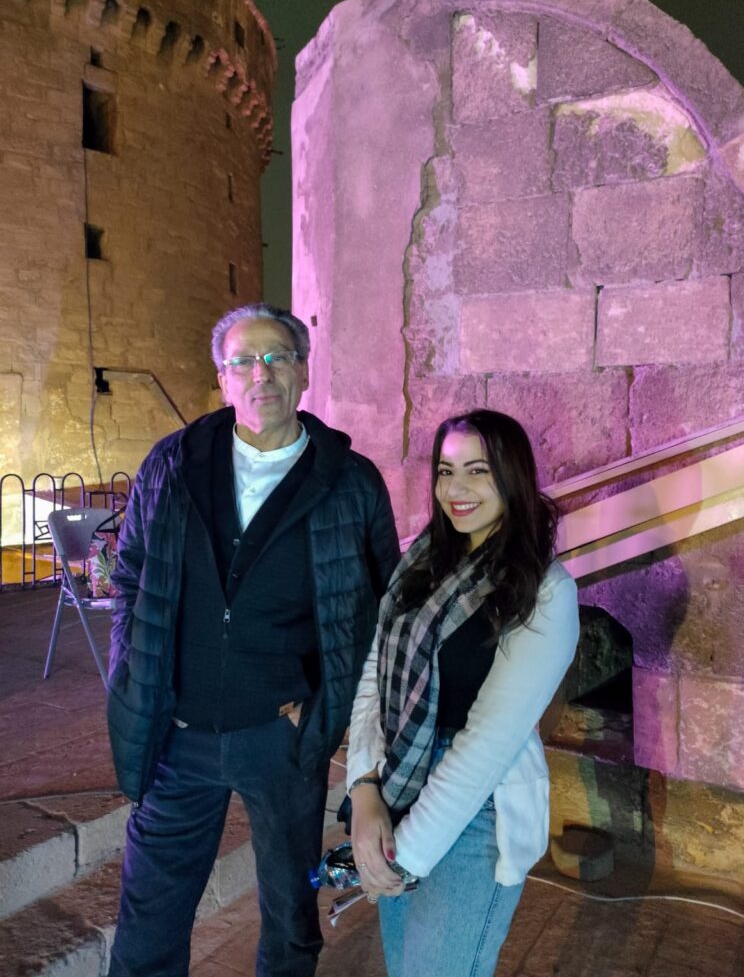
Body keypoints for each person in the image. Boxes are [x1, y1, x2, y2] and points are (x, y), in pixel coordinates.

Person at [106, 303, 400, 977]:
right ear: (223, 379)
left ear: (303, 372)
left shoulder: (349, 481)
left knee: (290, 918)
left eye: (277, 357)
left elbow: (385, 611)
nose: (260, 373)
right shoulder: (173, 464)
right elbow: (129, 575)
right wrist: (134, 676)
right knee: (148, 921)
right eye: (243, 360)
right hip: (175, 735)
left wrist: (324, 710)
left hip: (281, 739)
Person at [346, 409, 579, 977]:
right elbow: (376, 672)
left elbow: (487, 744)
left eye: (478, 471)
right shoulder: (423, 561)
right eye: (446, 472)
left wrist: (402, 858)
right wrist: (363, 789)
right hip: (397, 783)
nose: (457, 489)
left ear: (512, 477)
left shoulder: (545, 590)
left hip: (477, 812)